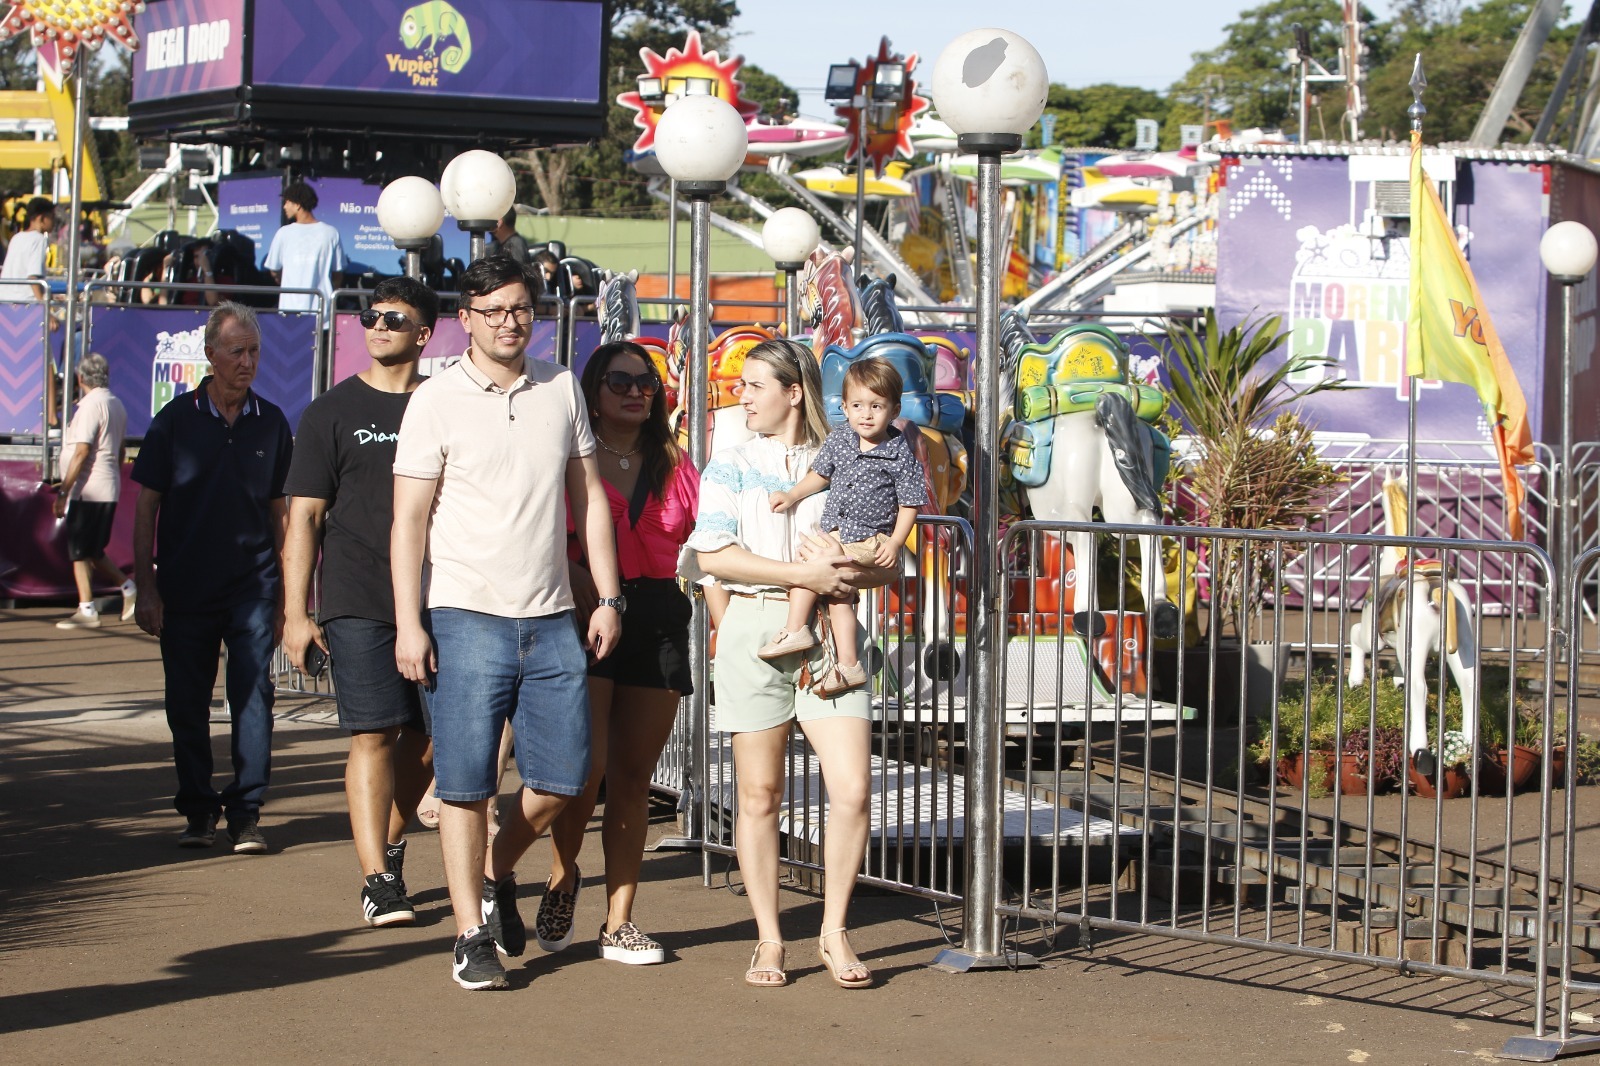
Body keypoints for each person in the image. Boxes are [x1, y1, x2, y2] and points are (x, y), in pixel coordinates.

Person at [391, 254, 623, 991]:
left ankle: (495, 870)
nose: (508, 323)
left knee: (563, 779)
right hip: (464, 614)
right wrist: (410, 622)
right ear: (465, 319)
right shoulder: (434, 400)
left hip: (554, 615)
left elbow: (588, 500)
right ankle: (470, 935)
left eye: (519, 309)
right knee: (464, 785)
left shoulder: (559, 386)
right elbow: (408, 522)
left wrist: (609, 598)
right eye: (491, 311)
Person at [680, 336, 890, 990]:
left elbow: (889, 558)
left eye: (753, 385)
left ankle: (832, 930)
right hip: (755, 623)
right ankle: (770, 939)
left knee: (853, 788)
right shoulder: (731, 462)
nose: (740, 395)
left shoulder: (856, 457)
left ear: (794, 392)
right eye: (740, 386)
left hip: (833, 626)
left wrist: (872, 563)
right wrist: (794, 576)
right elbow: (712, 554)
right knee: (759, 794)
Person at [281, 276, 440, 928]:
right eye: (370, 317)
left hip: (439, 599)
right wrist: (296, 612)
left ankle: (393, 845)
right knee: (374, 732)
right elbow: (305, 518)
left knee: (431, 745)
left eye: (394, 318)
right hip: (356, 595)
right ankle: (376, 877)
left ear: (424, 333)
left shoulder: (443, 405)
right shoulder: (330, 412)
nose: (377, 326)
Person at [537, 340, 700, 966]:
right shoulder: (570, 460)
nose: (636, 391)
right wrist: (577, 576)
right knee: (584, 770)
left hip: (659, 617)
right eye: (620, 381)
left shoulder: (675, 462)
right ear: (593, 393)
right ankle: (562, 873)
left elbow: (705, 542)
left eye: (646, 382)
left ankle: (620, 921)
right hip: (586, 615)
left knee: (633, 780)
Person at [131, 302, 294, 854]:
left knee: (253, 699)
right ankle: (198, 810)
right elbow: (145, 508)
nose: (247, 362)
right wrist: (146, 589)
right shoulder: (173, 421)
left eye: (253, 352)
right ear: (210, 355)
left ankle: (246, 813)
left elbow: (282, 515)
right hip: (184, 589)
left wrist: (288, 599)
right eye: (236, 352)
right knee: (187, 704)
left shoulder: (271, 422)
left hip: (253, 588)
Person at [767, 357, 925, 697]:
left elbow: (911, 502)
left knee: (812, 568)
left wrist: (895, 542)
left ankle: (795, 629)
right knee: (837, 591)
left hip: (869, 537)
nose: (866, 414)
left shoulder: (899, 454)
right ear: (844, 407)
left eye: (876, 406)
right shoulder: (839, 440)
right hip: (837, 532)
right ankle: (850, 666)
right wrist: (792, 495)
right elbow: (819, 475)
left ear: (894, 409)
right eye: (857, 406)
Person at [52, 352, 135, 630]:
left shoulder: (91, 406)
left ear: (80, 378)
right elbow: (120, 450)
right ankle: (124, 590)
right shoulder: (116, 404)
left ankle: (88, 608)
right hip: (104, 485)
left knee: (80, 550)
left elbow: (82, 451)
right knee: (91, 549)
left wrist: (64, 491)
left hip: (88, 489)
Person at [263, 181, 346, 314]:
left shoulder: (283, 233)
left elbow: (274, 271)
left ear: (297, 205)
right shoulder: (331, 232)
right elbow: (338, 275)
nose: (284, 207)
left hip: (290, 311)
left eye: (287, 202)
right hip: (321, 311)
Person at [0, 196, 52, 302]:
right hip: (26, 304)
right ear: (41, 218)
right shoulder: (39, 239)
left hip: (5, 303)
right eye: (52, 217)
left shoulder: (17, 237)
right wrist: (43, 305)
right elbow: (33, 277)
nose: (54, 221)